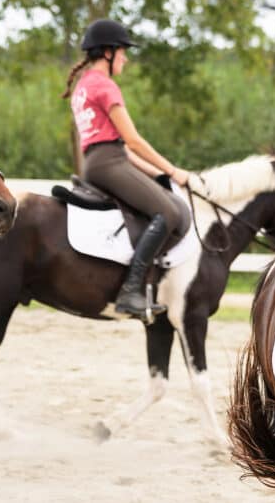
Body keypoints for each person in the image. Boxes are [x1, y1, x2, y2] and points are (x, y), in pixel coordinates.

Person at [62, 18, 190, 323]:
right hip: (110, 163)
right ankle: (131, 290)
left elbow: (120, 147)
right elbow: (132, 140)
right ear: (107, 52)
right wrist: (173, 171)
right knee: (170, 212)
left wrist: (155, 174)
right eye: (122, 51)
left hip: (99, 160)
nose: (126, 58)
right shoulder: (104, 86)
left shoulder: (83, 86)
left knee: (161, 203)